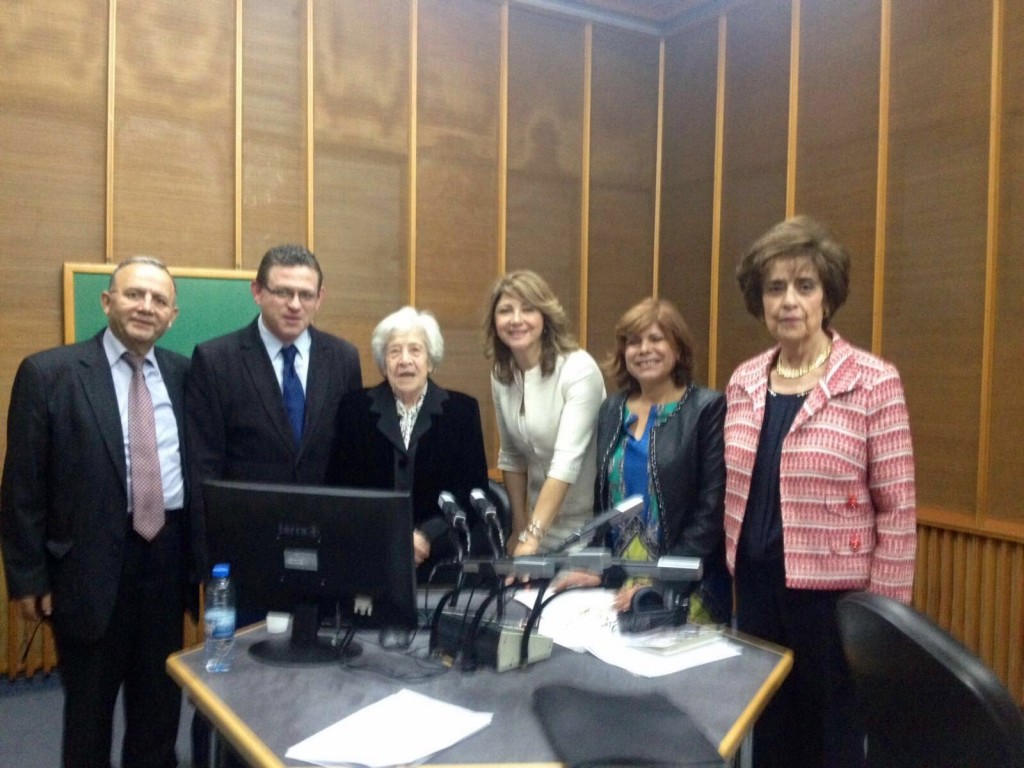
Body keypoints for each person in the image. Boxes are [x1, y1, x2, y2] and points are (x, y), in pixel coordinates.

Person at [724, 216, 917, 768]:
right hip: (756, 590)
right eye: (775, 288)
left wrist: (881, 619)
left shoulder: (872, 381)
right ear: (760, 301)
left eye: (804, 286)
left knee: (833, 741)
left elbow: (898, 509)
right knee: (769, 734)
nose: (789, 300)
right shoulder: (743, 380)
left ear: (826, 297)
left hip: (834, 602)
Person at [1, 256, 195, 768]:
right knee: (88, 717)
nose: (146, 307)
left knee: (159, 709)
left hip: (166, 560)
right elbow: (22, 485)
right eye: (134, 294)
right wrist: (27, 577)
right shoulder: (49, 373)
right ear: (107, 301)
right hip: (87, 569)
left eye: (158, 300)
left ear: (172, 315)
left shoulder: (184, 374)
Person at [186, 243, 361, 766]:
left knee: (316, 680)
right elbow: (203, 468)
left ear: (321, 298)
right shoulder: (216, 359)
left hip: (321, 558)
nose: (294, 304)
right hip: (244, 561)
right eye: (283, 292)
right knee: (234, 686)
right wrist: (209, 563)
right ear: (257, 292)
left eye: (306, 294)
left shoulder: (342, 357)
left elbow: (347, 460)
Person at [565, 298, 731, 624]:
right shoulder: (612, 410)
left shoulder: (707, 408)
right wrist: (595, 566)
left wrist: (659, 584)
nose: (644, 349)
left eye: (656, 339)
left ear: (678, 349)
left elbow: (711, 511)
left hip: (686, 586)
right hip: (618, 582)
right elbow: (605, 503)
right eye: (634, 341)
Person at [331, 307, 490, 581]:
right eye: (394, 352)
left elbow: (473, 491)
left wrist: (427, 534)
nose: (405, 360)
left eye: (415, 350)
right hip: (372, 556)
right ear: (384, 363)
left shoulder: (461, 412)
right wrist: (390, 537)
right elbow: (341, 489)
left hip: (443, 557)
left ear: (430, 361)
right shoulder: (354, 410)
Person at [484, 270, 605, 555]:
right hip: (536, 526)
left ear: (545, 316)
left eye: (528, 309)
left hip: (586, 530)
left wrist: (532, 536)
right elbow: (512, 456)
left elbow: (566, 462)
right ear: (494, 321)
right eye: (505, 310)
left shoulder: (578, 369)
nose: (516, 319)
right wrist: (520, 529)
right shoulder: (502, 373)